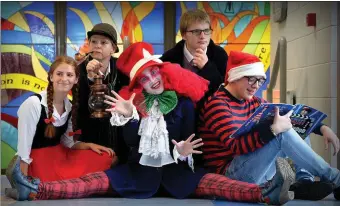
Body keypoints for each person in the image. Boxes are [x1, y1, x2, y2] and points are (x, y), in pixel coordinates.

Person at [11, 43, 295, 205]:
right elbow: (132, 146)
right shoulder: (131, 107)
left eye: (153, 74)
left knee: (219, 184)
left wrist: (182, 152)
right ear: (139, 85)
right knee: (88, 184)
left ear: (163, 72)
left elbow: (189, 145)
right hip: (136, 175)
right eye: (143, 79)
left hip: (178, 175)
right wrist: (132, 117)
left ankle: (266, 193)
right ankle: (34, 190)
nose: (151, 81)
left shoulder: (184, 105)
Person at [198, 50, 340, 201]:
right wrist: (272, 130)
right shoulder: (217, 104)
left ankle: (304, 182)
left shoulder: (254, 102)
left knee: (291, 126)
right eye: (252, 79)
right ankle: (336, 179)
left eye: (260, 81)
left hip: (254, 169)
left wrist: (322, 128)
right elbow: (236, 146)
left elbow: (293, 119)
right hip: (231, 178)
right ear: (235, 77)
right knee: (281, 132)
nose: (256, 86)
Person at [6, 56, 115, 186]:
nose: (64, 79)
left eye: (69, 75)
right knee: (66, 181)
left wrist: (88, 146)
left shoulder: (68, 105)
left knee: (107, 158)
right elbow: (23, 151)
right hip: (38, 162)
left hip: (61, 156)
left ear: (76, 80)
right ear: (51, 77)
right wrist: (23, 183)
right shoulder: (33, 104)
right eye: (59, 74)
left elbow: (67, 142)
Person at [76, 23, 130, 162]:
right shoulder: (78, 69)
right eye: (93, 41)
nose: (97, 45)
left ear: (113, 48)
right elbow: (78, 105)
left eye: (103, 42)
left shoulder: (123, 69)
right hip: (90, 137)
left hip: (119, 136)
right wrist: (89, 77)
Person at [160, 9, 228, 101]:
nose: (203, 36)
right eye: (196, 31)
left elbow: (226, 90)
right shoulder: (169, 58)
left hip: (211, 110)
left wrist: (207, 67)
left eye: (206, 30)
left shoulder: (220, 55)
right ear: (184, 35)